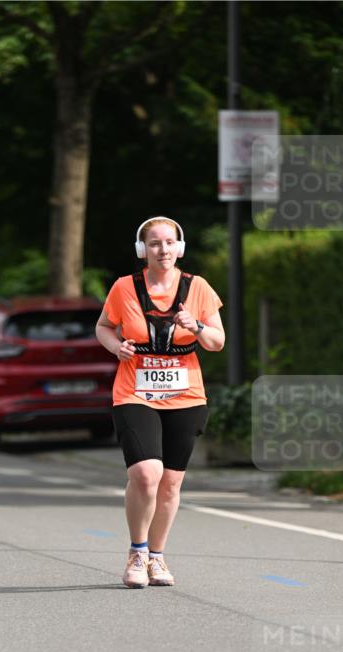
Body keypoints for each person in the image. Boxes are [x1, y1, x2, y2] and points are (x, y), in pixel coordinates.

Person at [95, 216, 225, 588]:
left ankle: (157, 557)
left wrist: (195, 326)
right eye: (154, 243)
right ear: (143, 249)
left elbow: (217, 341)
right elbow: (103, 326)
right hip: (135, 391)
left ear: (179, 247)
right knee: (145, 474)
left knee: (169, 483)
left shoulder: (197, 288)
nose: (162, 250)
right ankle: (136, 552)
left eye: (169, 242)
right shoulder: (124, 288)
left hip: (185, 395)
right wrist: (114, 346)